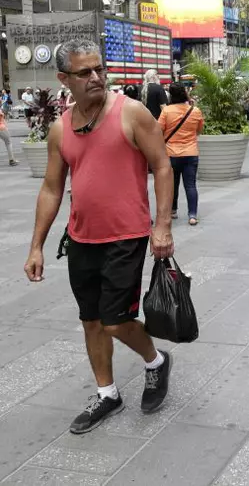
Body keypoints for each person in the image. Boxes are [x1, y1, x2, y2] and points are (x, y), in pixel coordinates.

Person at [23, 39, 175, 434]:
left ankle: (156, 362)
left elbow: (161, 166)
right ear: (63, 79)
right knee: (91, 320)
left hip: (126, 237)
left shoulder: (132, 113)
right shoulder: (60, 129)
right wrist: (36, 245)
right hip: (81, 239)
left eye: (99, 69)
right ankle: (107, 394)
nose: (95, 77)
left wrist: (162, 225)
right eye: (84, 72)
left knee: (114, 321)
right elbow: (52, 188)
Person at [158, 82, 204, 225]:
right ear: (184, 93)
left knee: (173, 184)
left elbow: (159, 130)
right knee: (190, 185)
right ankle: (192, 215)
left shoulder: (166, 111)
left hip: (171, 153)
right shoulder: (195, 110)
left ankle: (173, 210)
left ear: (171, 95)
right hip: (191, 153)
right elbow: (199, 130)